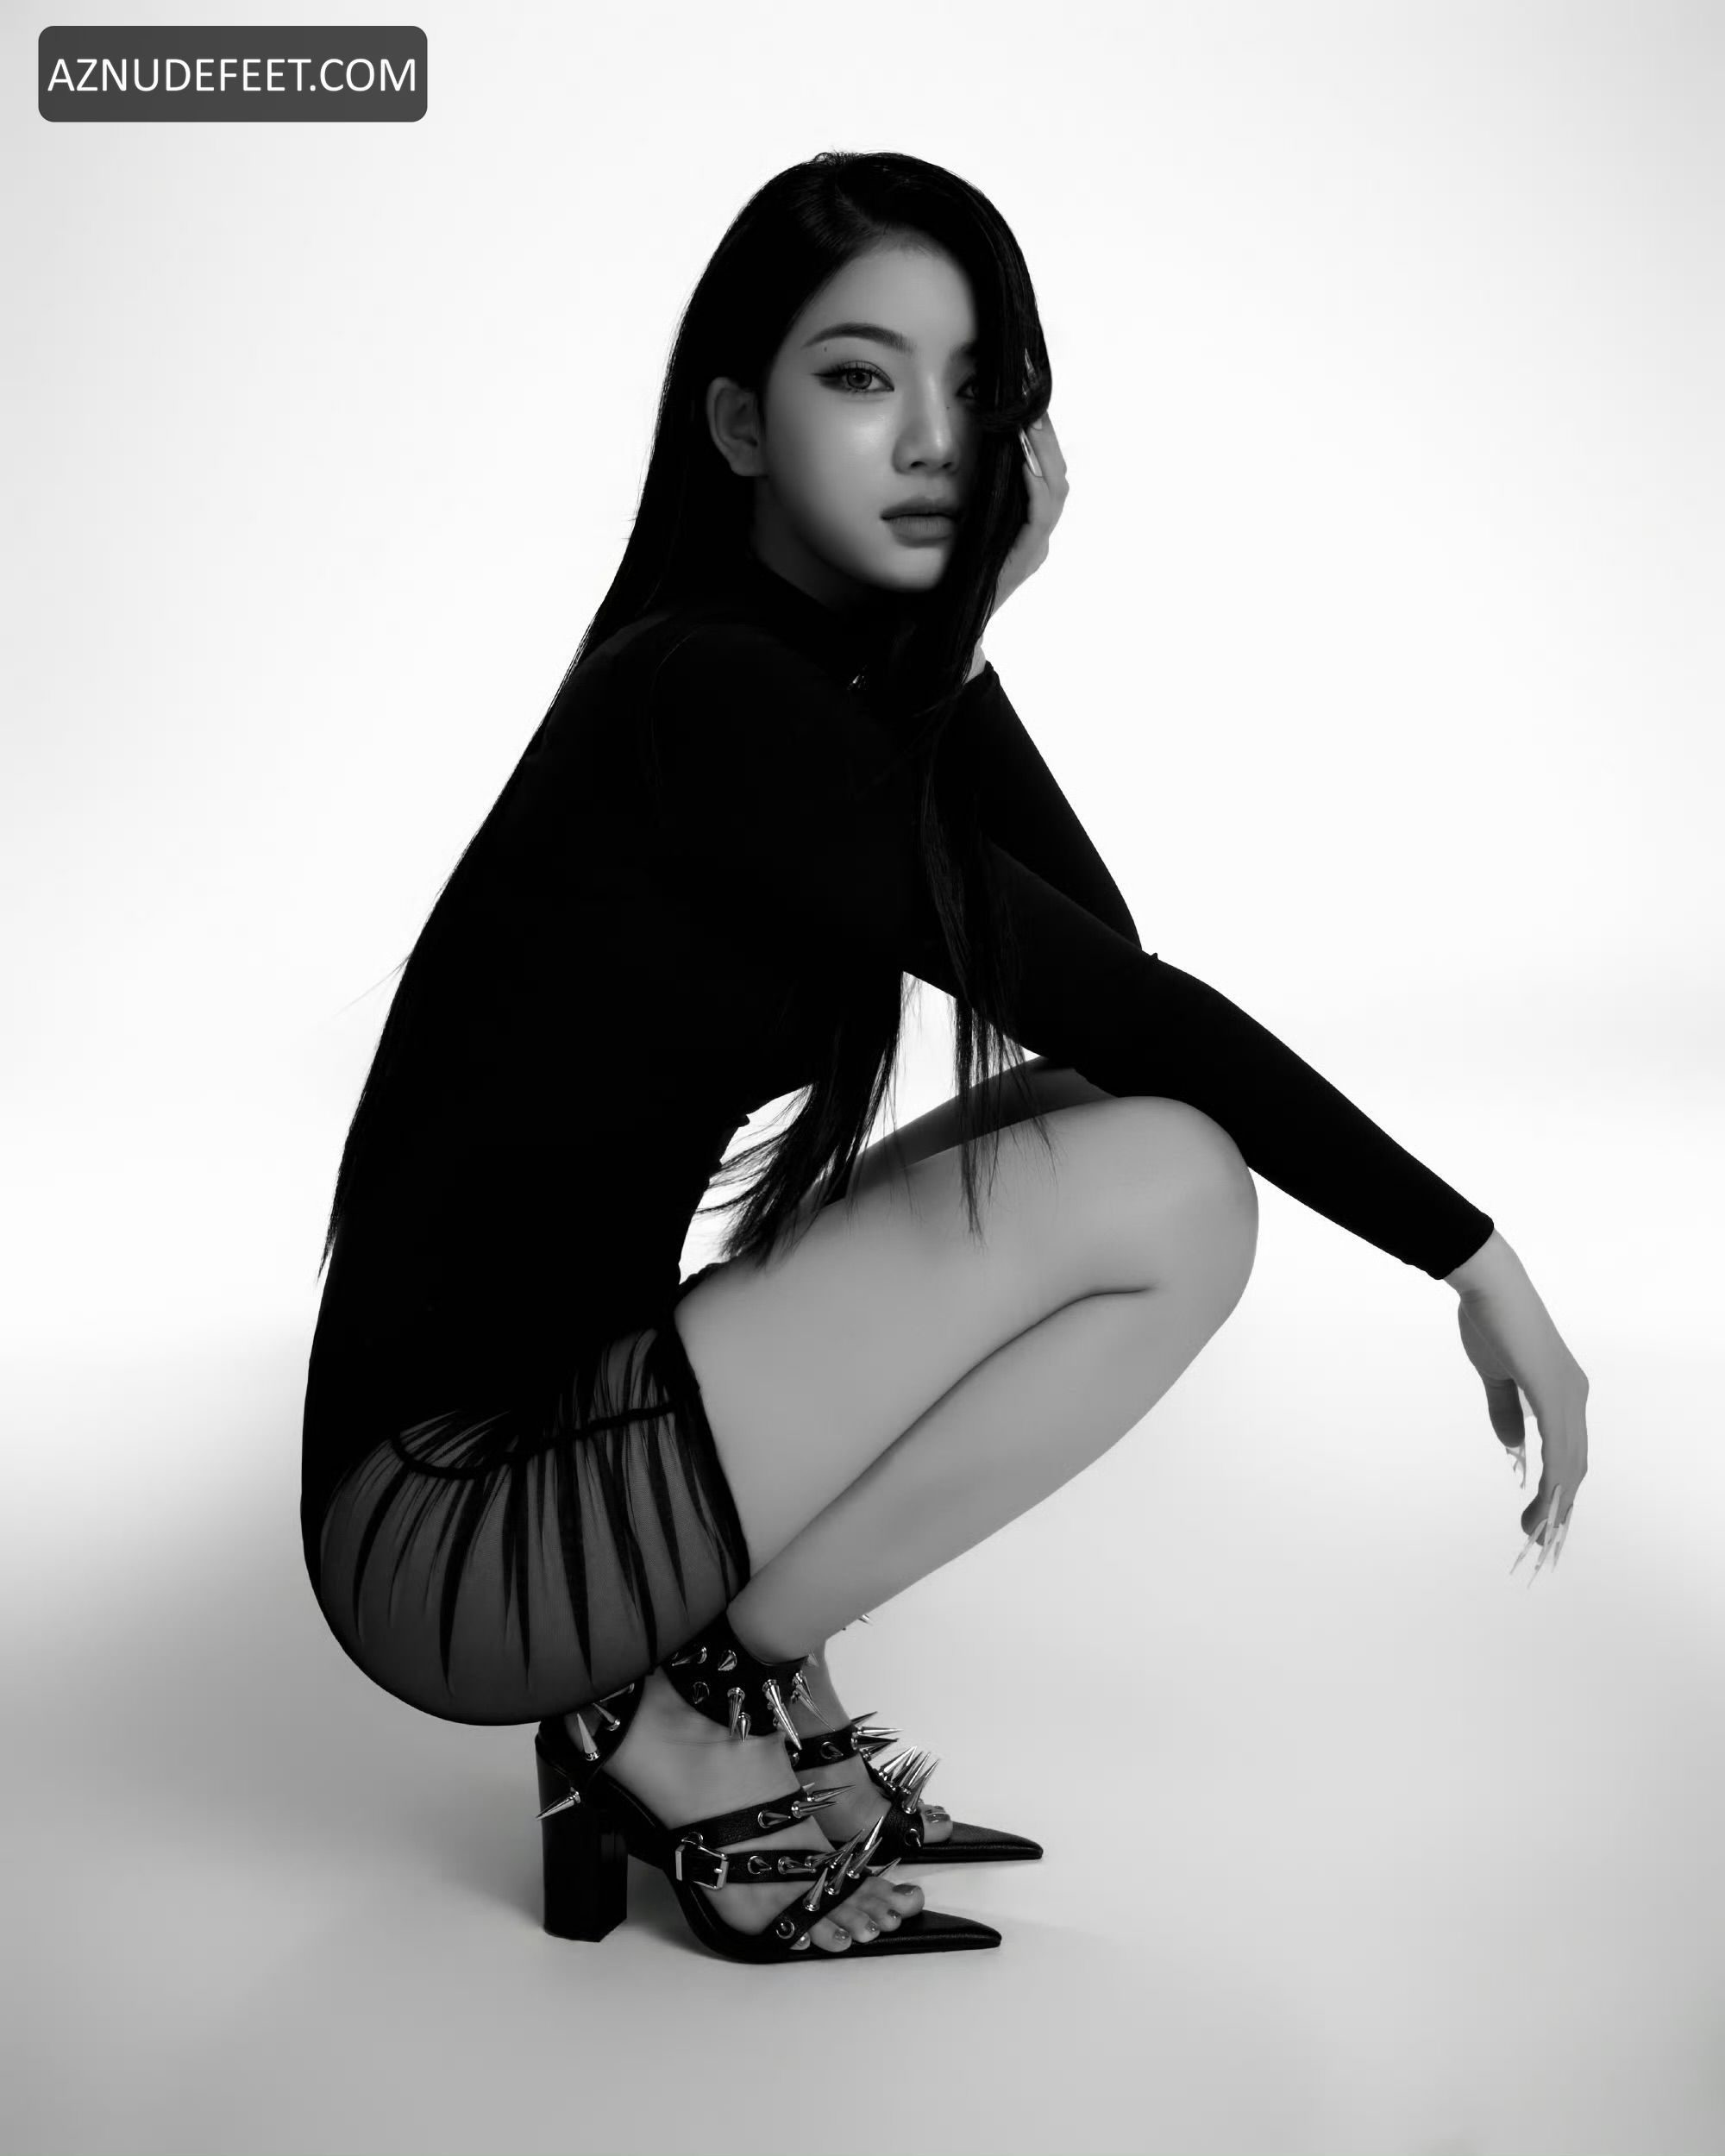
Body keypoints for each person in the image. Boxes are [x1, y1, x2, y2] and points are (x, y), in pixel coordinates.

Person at [300, 150, 1590, 1965]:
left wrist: (957, 637)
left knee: (1134, 1134)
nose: (931, 441)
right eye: (860, 375)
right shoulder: (709, 694)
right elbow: (1132, 1004)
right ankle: (689, 1690)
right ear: (737, 424)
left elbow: (1092, 967)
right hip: (460, 1530)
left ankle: (710, 1676)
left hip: (579, 1421)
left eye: (975, 391)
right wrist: (1471, 1255)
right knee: (1174, 1179)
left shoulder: (775, 677)